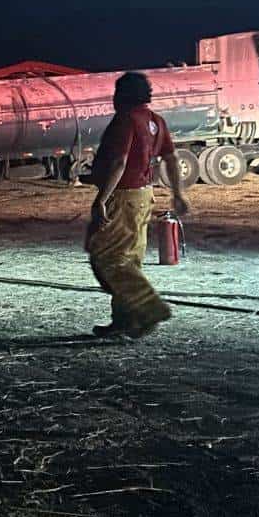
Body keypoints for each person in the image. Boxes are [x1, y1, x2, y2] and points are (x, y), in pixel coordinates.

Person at [85, 71, 190, 339]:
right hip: (144, 194)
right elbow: (171, 158)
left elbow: (119, 163)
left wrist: (102, 199)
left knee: (107, 255)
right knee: (129, 257)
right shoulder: (156, 121)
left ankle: (149, 308)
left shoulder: (127, 120)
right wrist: (178, 194)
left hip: (123, 195)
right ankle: (124, 320)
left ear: (123, 95)